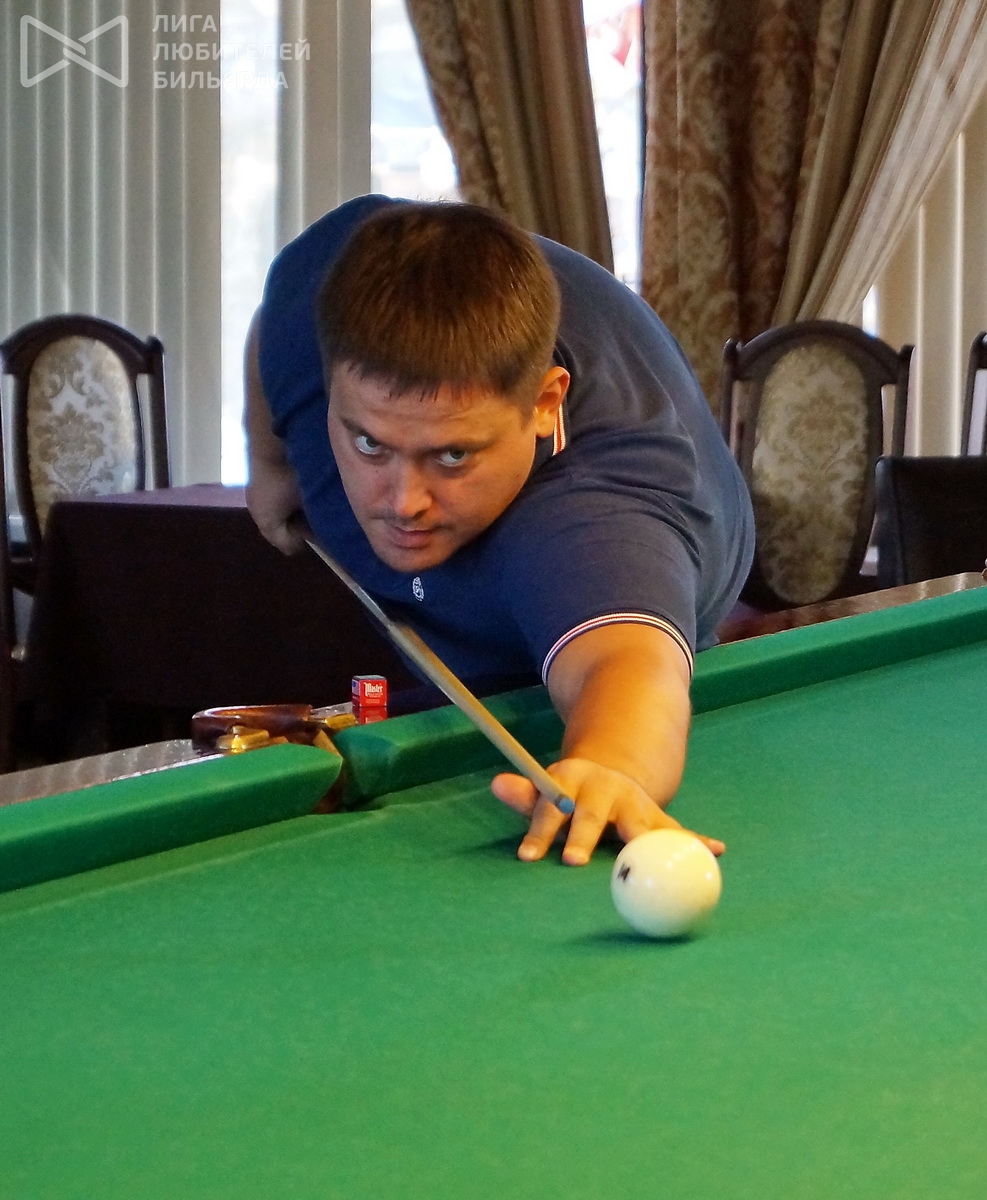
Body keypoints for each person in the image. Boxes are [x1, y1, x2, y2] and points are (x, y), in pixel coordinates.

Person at [245, 195, 754, 866]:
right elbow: (275, 321)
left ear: (543, 405)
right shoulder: (326, 282)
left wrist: (612, 766)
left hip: (655, 542)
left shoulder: (590, 520)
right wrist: (269, 458)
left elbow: (628, 664)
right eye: (370, 444)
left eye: (452, 455)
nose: (404, 502)